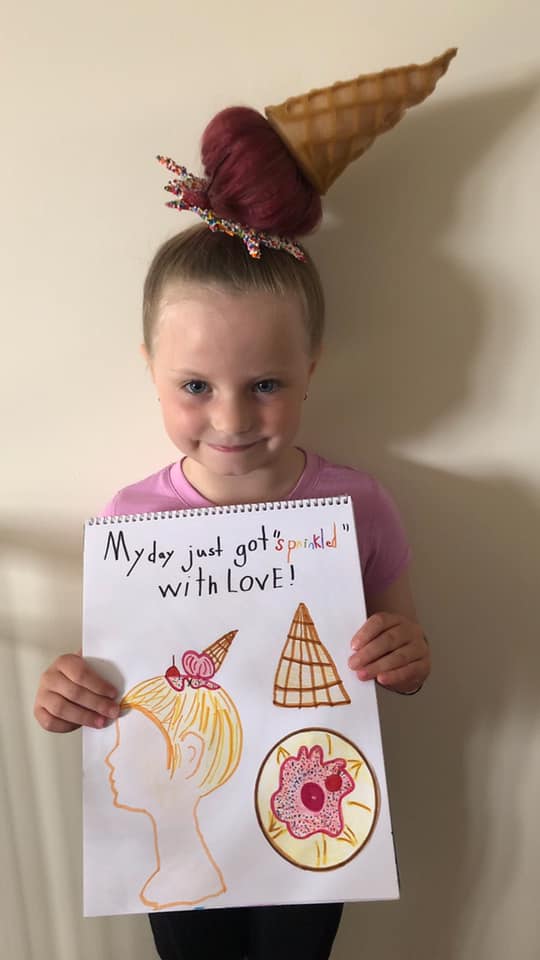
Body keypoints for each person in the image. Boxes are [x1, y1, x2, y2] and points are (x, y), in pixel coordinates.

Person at [34, 100, 431, 960]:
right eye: (194, 386)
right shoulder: (131, 524)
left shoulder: (360, 506)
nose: (230, 418)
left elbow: (402, 660)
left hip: (311, 833)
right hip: (171, 836)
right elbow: (116, 687)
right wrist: (70, 690)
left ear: (310, 370)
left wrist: (405, 656)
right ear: (151, 372)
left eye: (264, 384)